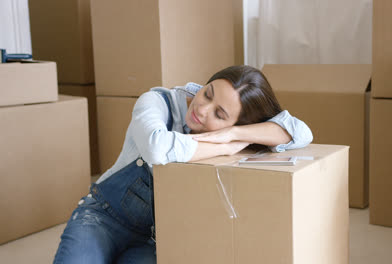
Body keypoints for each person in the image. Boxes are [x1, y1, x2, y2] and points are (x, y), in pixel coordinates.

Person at [53, 65, 313, 263]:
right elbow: (157, 148)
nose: (202, 109)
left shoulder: (233, 131)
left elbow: (301, 132)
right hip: (102, 218)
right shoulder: (157, 101)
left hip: (158, 237)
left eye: (219, 114)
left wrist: (232, 135)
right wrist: (223, 146)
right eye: (207, 93)